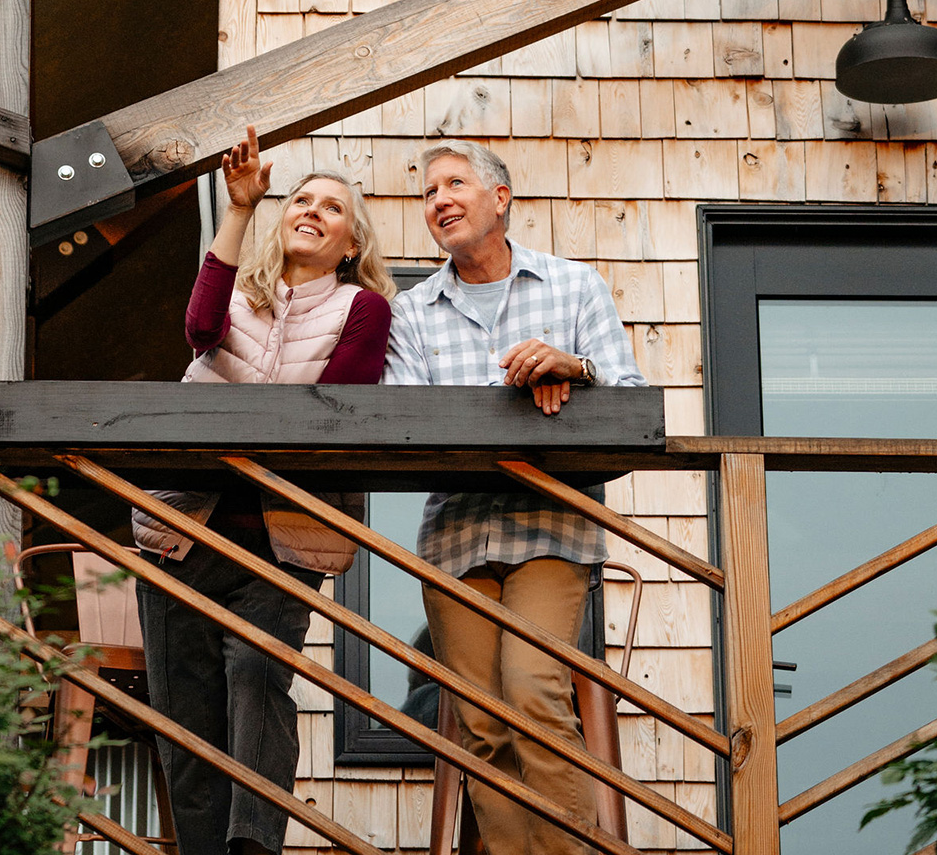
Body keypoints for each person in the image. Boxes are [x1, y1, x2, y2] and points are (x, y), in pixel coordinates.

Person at [135, 125, 396, 855]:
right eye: (300, 199)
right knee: (183, 714)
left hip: (281, 544)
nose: (311, 209)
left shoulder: (362, 310)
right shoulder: (236, 294)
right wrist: (239, 209)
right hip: (181, 529)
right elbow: (197, 329)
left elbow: (335, 409)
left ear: (351, 244)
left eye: (332, 207)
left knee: (254, 675)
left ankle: (253, 847)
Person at [384, 139, 648, 855]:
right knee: (481, 723)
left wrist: (575, 367)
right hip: (457, 534)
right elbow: (406, 421)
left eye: (454, 183)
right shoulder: (411, 311)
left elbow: (628, 398)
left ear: (500, 198)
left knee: (532, 690)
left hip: (551, 525)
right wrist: (518, 402)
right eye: (428, 192)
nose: (438, 199)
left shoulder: (573, 286)